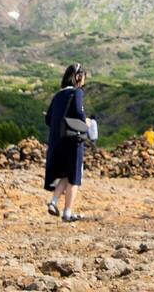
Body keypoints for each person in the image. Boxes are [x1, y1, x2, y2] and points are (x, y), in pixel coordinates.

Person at [44, 64, 94, 222]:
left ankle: (53, 202)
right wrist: (85, 122)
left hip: (59, 140)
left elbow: (48, 119)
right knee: (74, 176)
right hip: (74, 140)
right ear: (77, 77)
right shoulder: (77, 92)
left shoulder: (58, 95)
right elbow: (79, 112)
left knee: (66, 174)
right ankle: (67, 212)